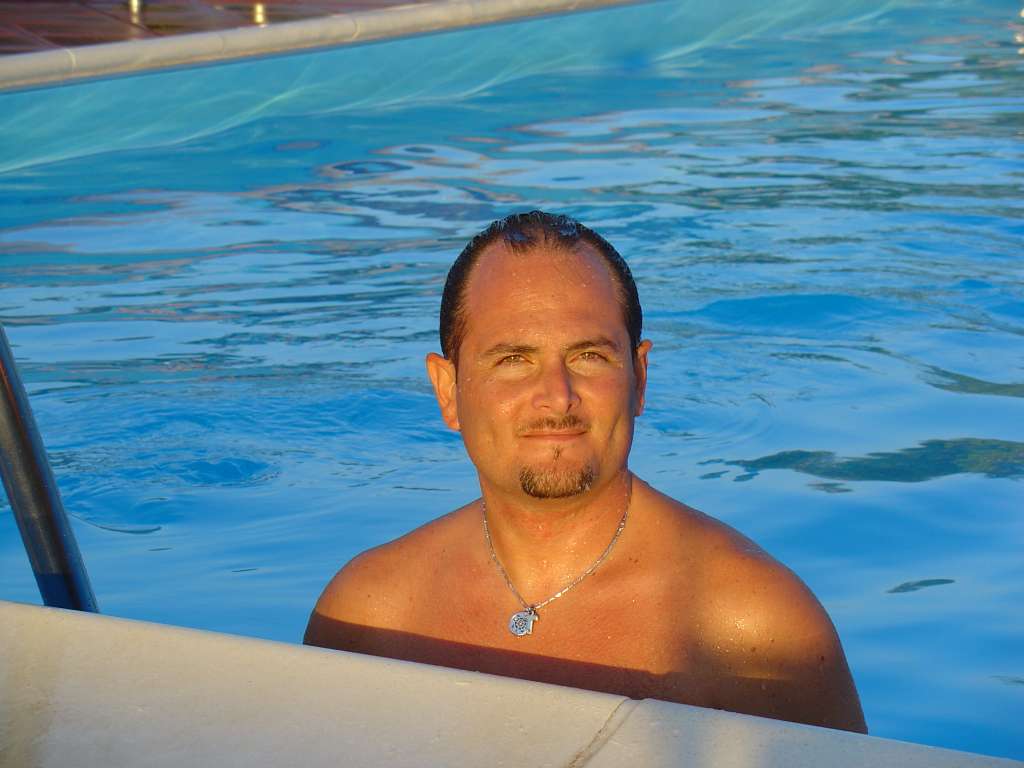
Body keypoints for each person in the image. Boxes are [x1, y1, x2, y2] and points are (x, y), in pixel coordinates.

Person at [304, 211, 867, 733]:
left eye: (589, 356)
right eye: (513, 359)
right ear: (448, 391)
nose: (557, 395)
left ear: (639, 379)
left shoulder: (753, 628)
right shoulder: (371, 615)